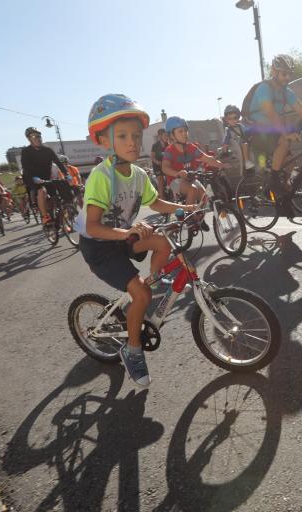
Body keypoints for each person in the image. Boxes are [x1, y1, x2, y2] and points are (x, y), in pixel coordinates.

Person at [77, 94, 197, 387]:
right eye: (122, 136)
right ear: (105, 142)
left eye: (135, 135)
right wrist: (126, 233)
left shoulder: (139, 174)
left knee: (162, 243)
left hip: (122, 237)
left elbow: (157, 204)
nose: (132, 142)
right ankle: (132, 351)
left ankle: (150, 284)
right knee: (141, 295)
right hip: (99, 246)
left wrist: (186, 209)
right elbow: (92, 226)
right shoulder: (101, 177)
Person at [243, 54, 302, 216]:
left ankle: (282, 199)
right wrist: (286, 134)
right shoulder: (264, 88)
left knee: (291, 167)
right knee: (284, 142)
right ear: (274, 72)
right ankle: (273, 181)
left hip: (271, 131)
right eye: (283, 73)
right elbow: (271, 114)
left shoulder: (287, 91)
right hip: (256, 131)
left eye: (289, 74)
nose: (287, 77)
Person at [161, 116, 228, 229]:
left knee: (205, 196)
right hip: (175, 180)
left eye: (186, 130)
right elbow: (165, 168)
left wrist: (222, 165)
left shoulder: (191, 147)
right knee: (192, 189)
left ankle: (199, 218)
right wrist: (178, 173)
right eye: (180, 131)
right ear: (172, 135)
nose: (184, 133)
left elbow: (207, 158)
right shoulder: (170, 150)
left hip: (190, 179)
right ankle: (189, 218)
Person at [20, 126, 71, 225]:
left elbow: (58, 163)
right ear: (29, 139)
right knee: (41, 191)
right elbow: (26, 167)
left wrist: (67, 174)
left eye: (39, 135)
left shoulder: (48, 150)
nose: (38, 138)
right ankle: (45, 216)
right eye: (34, 136)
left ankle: (65, 216)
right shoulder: (26, 152)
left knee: (59, 192)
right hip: (33, 178)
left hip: (47, 177)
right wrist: (33, 177)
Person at [220, 104, 255, 173]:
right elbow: (226, 140)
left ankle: (250, 164)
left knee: (248, 144)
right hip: (235, 147)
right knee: (244, 144)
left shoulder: (241, 126)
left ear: (238, 117)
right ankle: (246, 162)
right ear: (226, 119)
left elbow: (248, 131)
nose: (232, 120)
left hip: (244, 144)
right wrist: (225, 149)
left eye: (235, 118)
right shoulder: (228, 129)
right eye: (229, 119)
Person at [151, 129, 169, 197]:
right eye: (165, 135)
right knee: (160, 181)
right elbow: (152, 157)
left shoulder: (168, 145)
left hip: (166, 165)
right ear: (160, 136)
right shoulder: (155, 145)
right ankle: (162, 198)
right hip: (157, 166)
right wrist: (157, 162)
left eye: (167, 135)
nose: (167, 137)